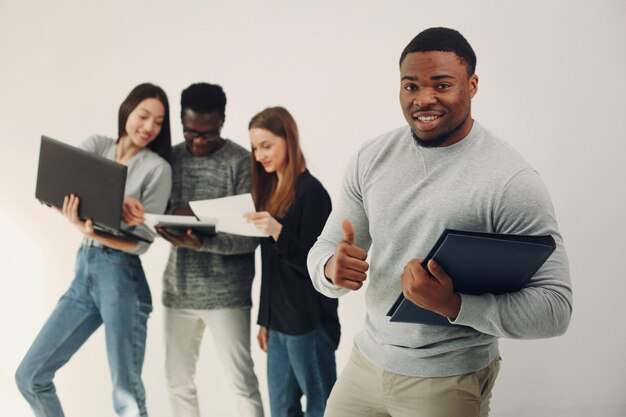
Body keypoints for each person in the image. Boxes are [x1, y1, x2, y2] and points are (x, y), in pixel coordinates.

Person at [307, 27, 573, 417]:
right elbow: (324, 250)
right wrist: (332, 270)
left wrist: (454, 305)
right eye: (410, 86)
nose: (424, 99)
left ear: (473, 84)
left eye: (442, 84)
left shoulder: (510, 180)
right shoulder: (371, 157)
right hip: (366, 363)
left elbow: (555, 308)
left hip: (446, 380)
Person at [15, 83, 173, 417]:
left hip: (121, 276)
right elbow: (58, 191)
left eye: (158, 122)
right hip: (83, 271)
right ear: (127, 110)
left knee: (125, 393)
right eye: (143, 116)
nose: (149, 127)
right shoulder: (97, 145)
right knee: (30, 375)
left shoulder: (158, 168)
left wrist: (113, 219)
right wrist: (79, 217)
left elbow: (141, 243)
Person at [155, 82, 264, 417]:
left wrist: (201, 242)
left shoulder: (241, 162)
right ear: (181, 121)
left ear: (223, 121)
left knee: (242, 385)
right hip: (179, 290)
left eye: (209, 134)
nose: (199, 141)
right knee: (177, 383)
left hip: (227, 295)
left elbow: (251, 237)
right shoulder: (170, 158)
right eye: (191, 133)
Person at [245, 106, 340, 417]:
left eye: (267, 145)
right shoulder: (269, 190)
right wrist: (264, 319)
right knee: (281, 411)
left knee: (322, 408)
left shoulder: (313, 193)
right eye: (255, 147)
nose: (260, 155)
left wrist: (276, 230)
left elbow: (318, 266)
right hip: (279, 325)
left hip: (308, 323)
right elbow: (269, 268)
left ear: (289, 139)